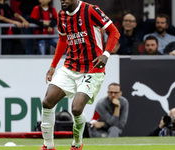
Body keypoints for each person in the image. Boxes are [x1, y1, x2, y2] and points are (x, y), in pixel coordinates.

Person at [40, 0, 120, 150]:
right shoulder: (62, 15)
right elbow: (63, 40)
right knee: (47, 102)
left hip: (92, 68)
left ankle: (77, 144)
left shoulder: (91, 10)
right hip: (70, 67)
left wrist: (106, 54)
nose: (63, 1)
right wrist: (53, 66)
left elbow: (114, 32)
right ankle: (48, 146)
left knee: (76, 109)